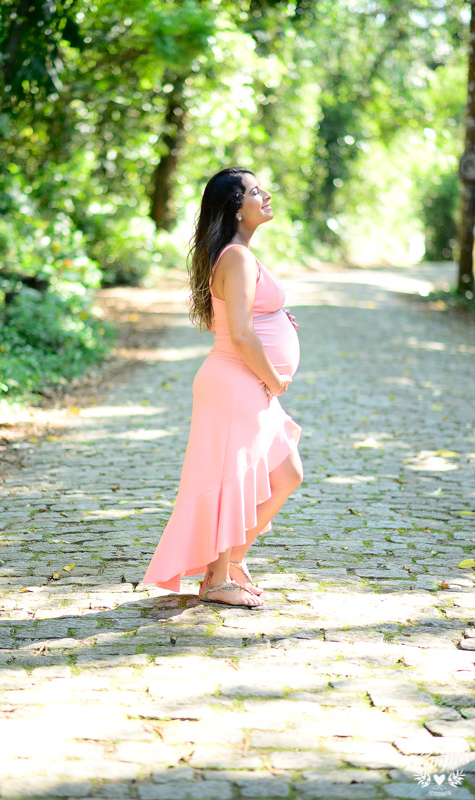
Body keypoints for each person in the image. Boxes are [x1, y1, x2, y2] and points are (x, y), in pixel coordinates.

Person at [143, 167, 303, 607]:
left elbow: (250, 320)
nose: (266, 195)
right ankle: (215, 579)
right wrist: (275, 379)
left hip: (243, 381)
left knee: (286, 473)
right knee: (237, 480)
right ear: (235, 208)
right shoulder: (236, 256)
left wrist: (278, 321)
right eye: (254, 191)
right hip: (238, 380)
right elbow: (242, 335)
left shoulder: (240, 255)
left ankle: (230, 564)